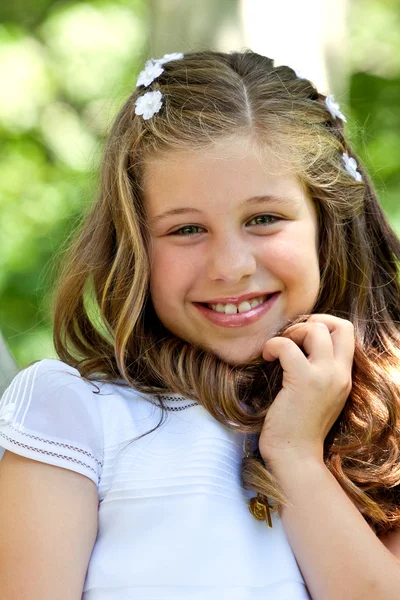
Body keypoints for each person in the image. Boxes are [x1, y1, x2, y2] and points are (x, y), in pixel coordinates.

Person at [0, 49, 400, 600]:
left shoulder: (381, 421)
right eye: (187, 229)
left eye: (263, 219)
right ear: (132, 248)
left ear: (328, 225)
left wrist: (295, 454)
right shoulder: (77, 416)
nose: (230, 265)